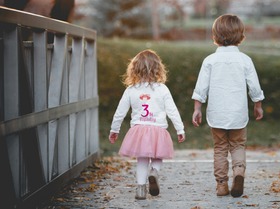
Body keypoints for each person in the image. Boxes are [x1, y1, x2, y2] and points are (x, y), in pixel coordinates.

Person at [192, 14, 264, 197]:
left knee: (220, 148)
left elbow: (201, 87)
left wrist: (197, 108)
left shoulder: (210, 60)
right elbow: (254, 86)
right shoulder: (245, 60)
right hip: (238, 114)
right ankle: (239, 170)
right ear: (240, 35)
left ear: (215, 35)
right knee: (238, 145)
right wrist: (258, 105)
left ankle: (222, 185)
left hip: (217, 114)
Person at [109, 49, 185, 200]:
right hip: (158, 130)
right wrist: (179, 128)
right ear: (158, 68)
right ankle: (154, 172)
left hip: (139, 131)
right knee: (158, 156)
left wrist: (114, 129)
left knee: (142, 159)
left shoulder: (130, 90)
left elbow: (120, 112)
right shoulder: (162, 89)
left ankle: (141, 190)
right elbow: (172, 111)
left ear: (134, 69)